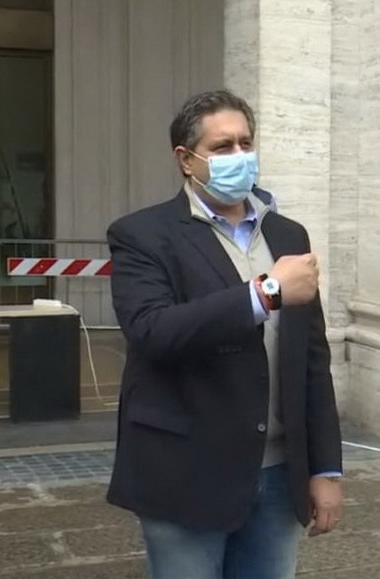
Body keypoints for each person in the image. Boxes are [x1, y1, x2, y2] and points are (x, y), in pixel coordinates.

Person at [106, 89, 343, 579]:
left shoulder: (288, 235)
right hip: (186, 470)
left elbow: (312, 360)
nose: (239, 155)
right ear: (185, 159)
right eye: (222, 146)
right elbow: (153, 331)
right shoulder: (143, 235)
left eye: (245, 143)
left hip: (277, 472)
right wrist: (266, 293)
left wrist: (325, 468)